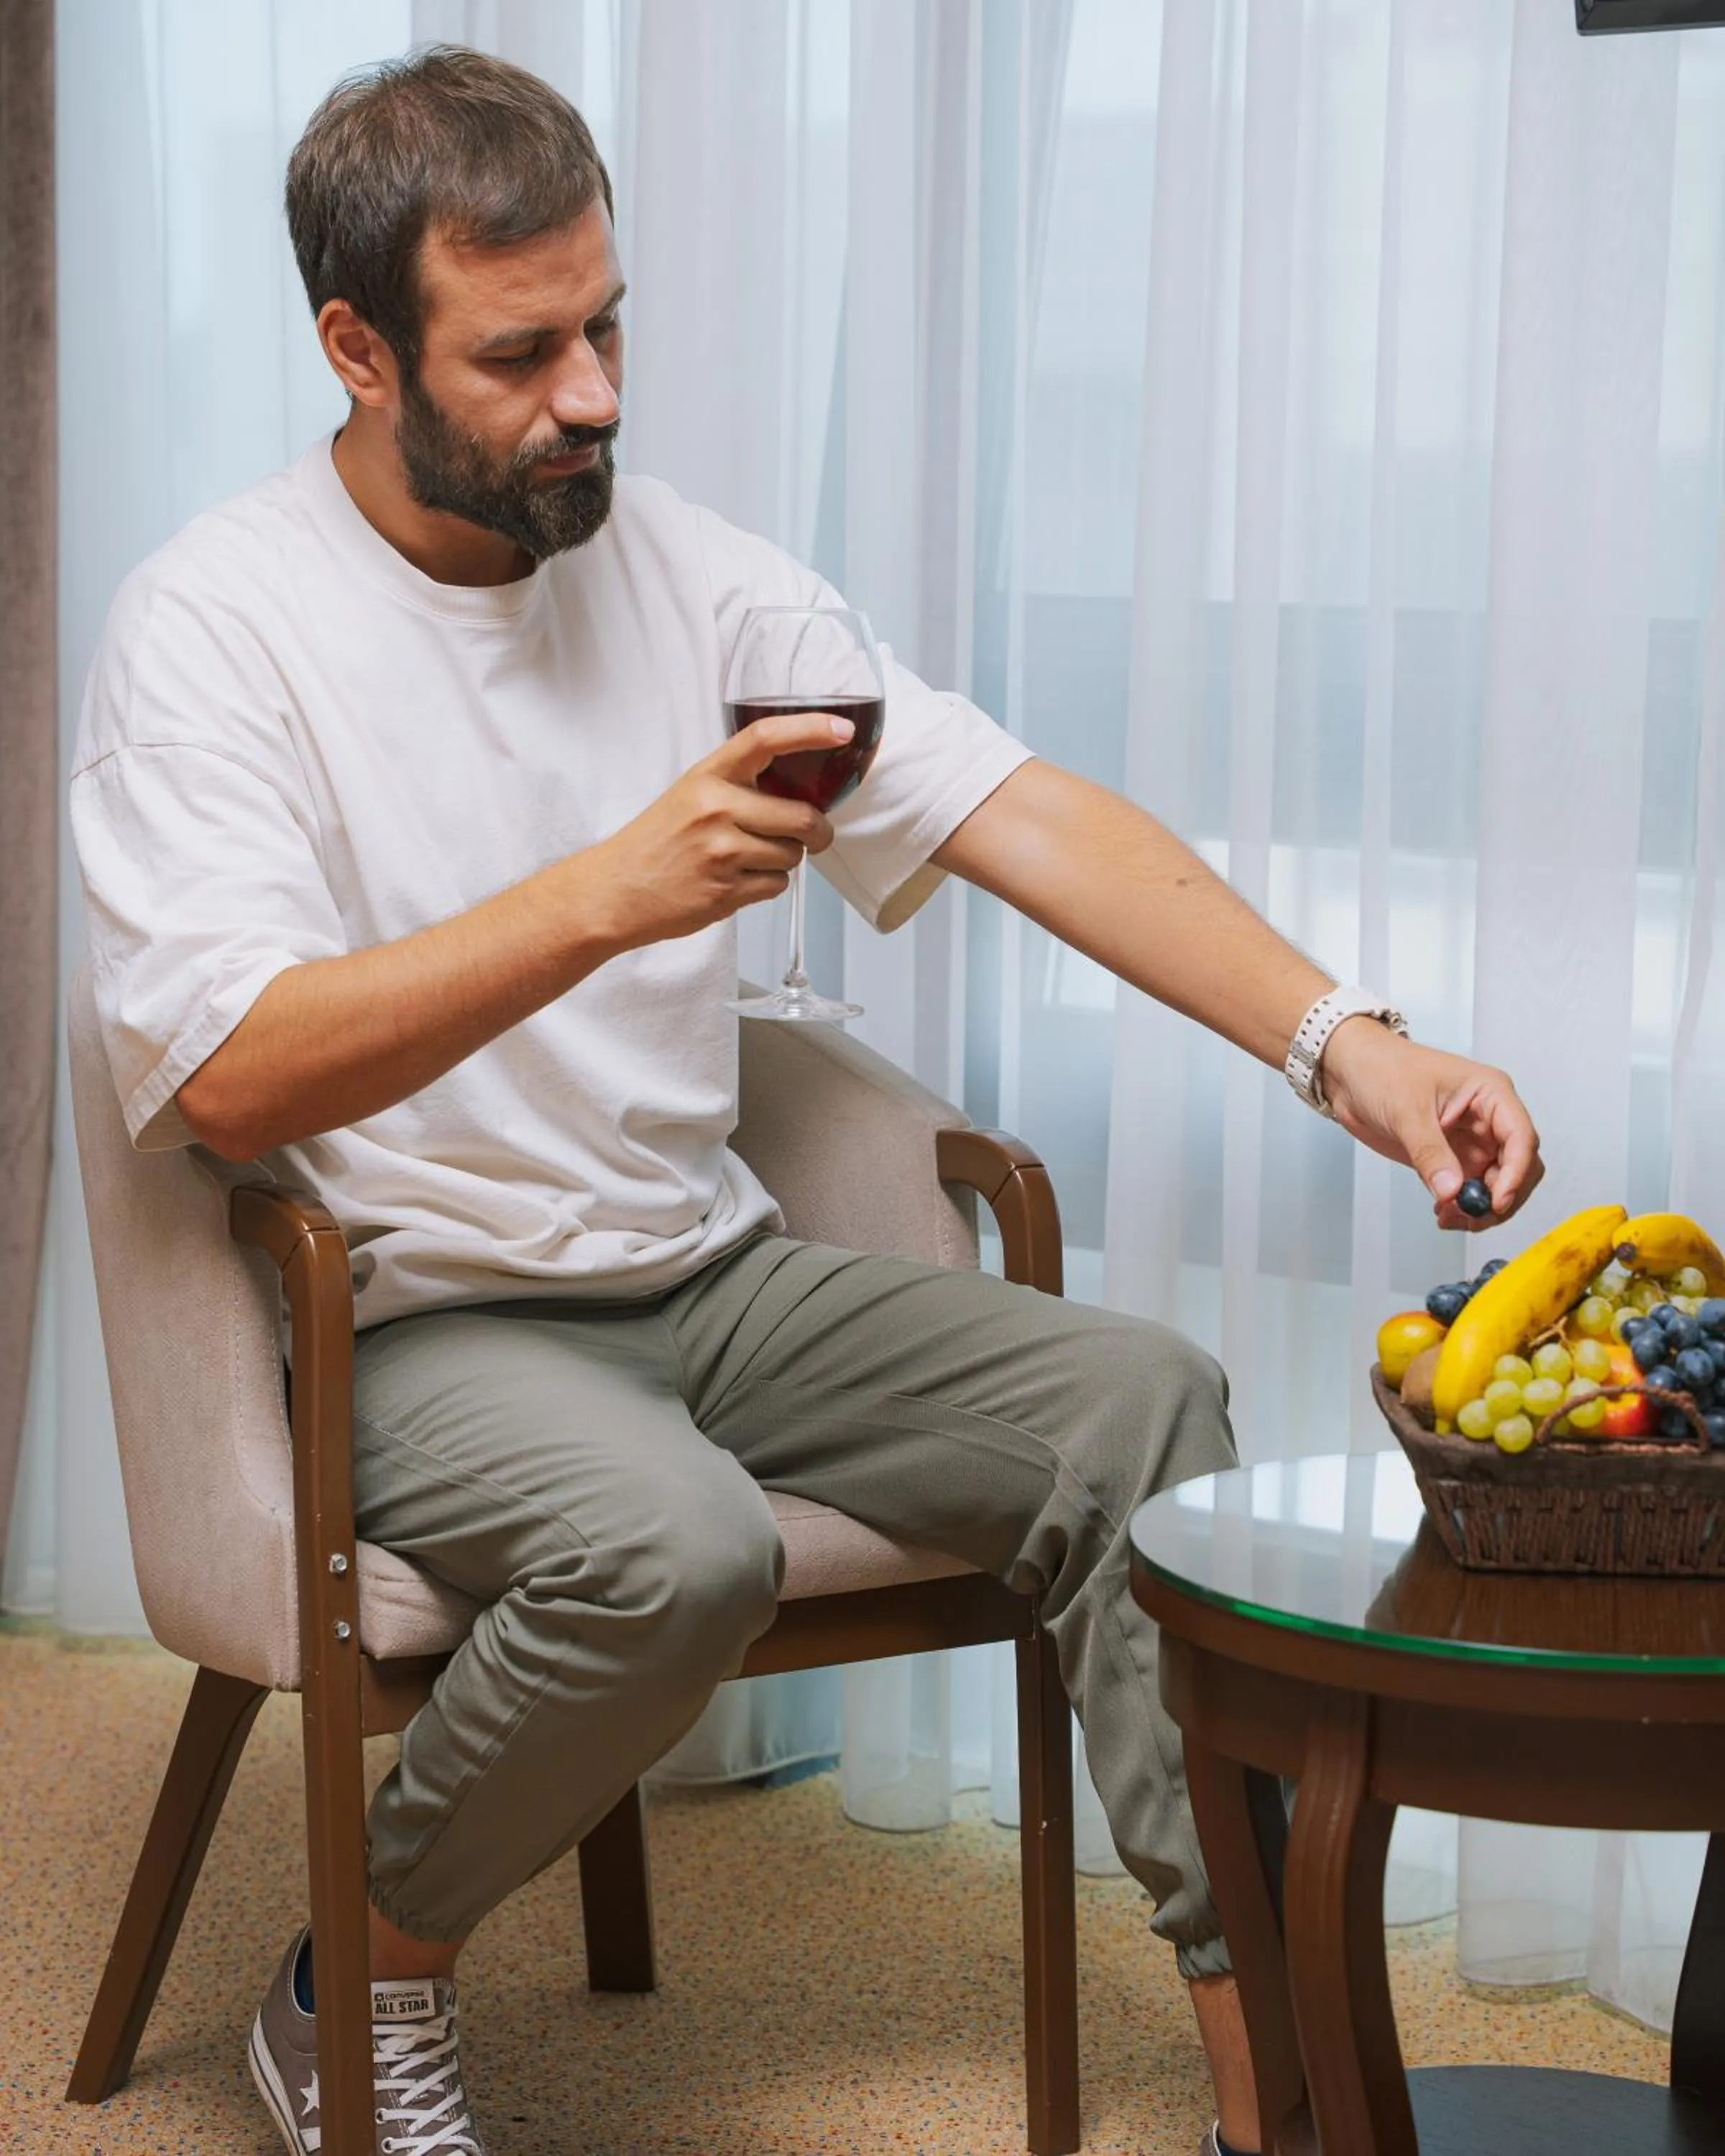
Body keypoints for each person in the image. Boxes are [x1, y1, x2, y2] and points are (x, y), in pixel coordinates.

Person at [70, 45, 1543, 2156]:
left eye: (609, 329)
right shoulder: (215, 631)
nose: (592, 395)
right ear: (357, 350)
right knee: (675, 1552)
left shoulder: (697, 578)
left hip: (712, 1277)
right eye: (521, 354)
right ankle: (360, 1975)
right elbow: (227, 1062)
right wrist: (608, 895)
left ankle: (1271, 2106)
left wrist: (1356, 1051)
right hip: (422, 1316)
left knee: (1145, 1406)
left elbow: (1024, 814)